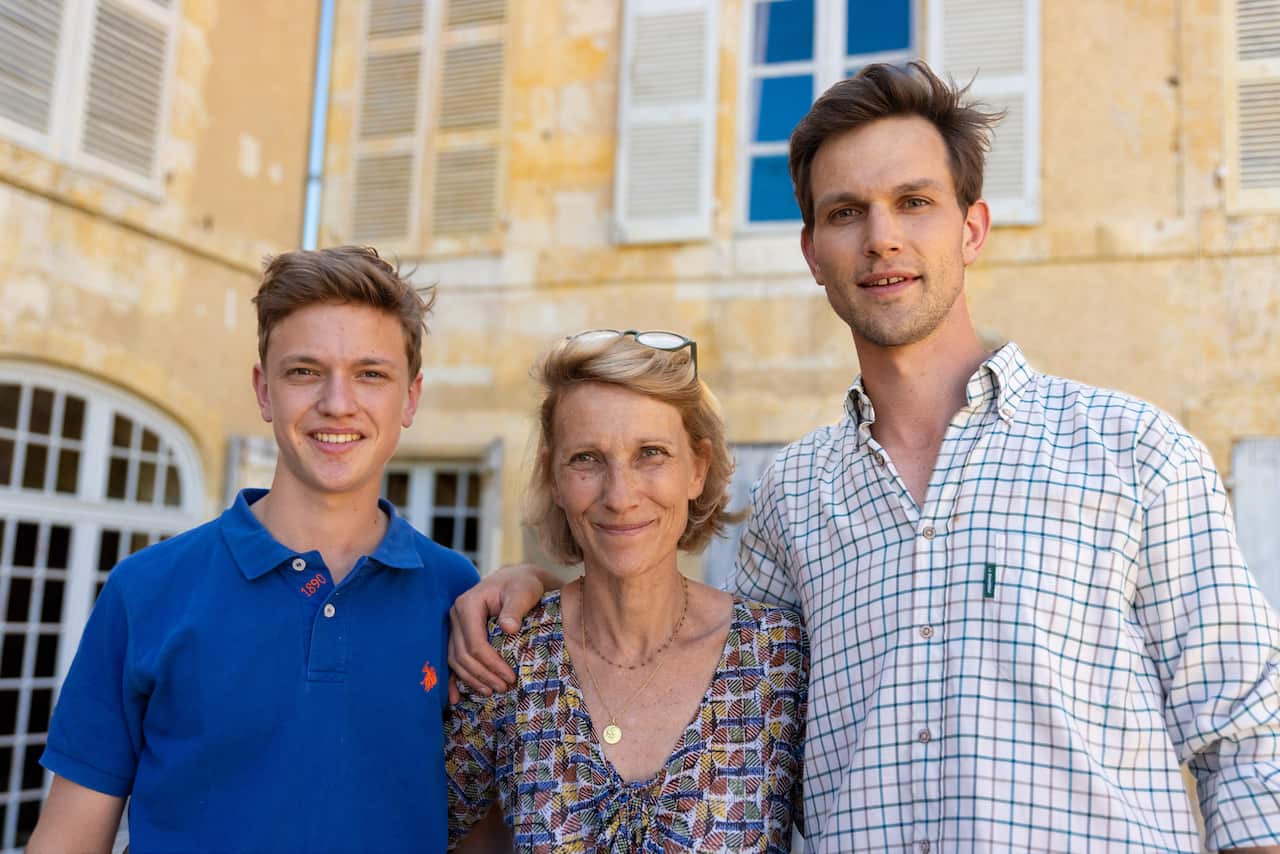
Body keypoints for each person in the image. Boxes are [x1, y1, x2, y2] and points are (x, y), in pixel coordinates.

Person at [448, 62, 1280, 852]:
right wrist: (547, 589)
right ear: (813, 252)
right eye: (847, 212)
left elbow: (1249, 735)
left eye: (914, 201)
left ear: (972, 226)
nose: (882, 238)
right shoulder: (794, 495)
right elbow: (709, 676)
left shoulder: (1135, 453)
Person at [28, 246, 480, 853]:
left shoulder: (456, 592)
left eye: (371, 374)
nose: (337, 402)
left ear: (412, 397)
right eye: (304, 372)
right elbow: (67, 842)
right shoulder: (146, 588)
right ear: (264, 391)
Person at [444, 330, 807, 852]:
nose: (620, 496)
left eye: (650, 454)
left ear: (697, 469)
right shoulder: (507, 658)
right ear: (554, 476)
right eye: (587, 459)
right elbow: (431, 831)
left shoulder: (779, 661)